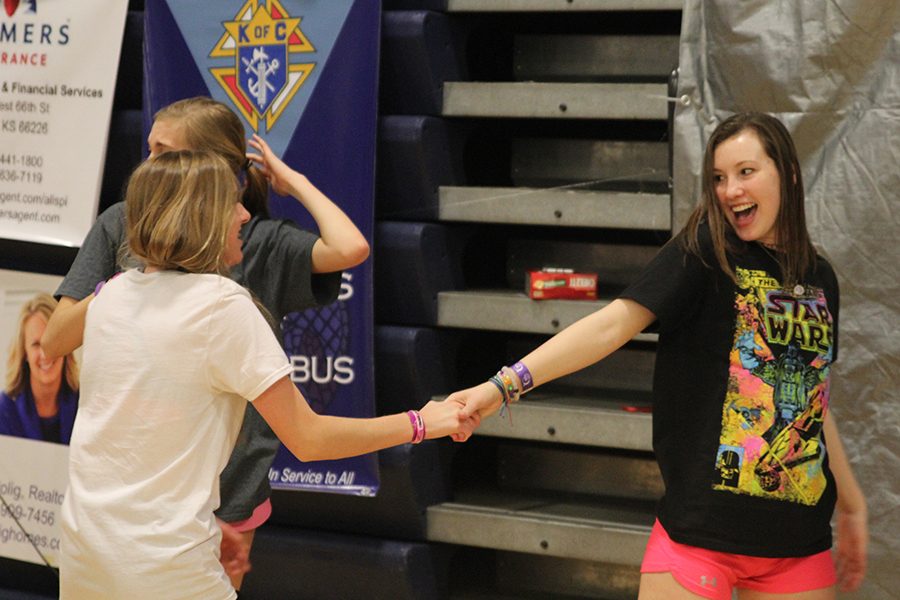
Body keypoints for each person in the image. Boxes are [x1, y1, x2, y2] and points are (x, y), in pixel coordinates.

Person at [449, 112, 868, 599]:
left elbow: (814, 400)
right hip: (699, 541)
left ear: (788, 175)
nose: (730, 190)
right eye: (718, 178)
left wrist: (853, 505)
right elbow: (609, 326)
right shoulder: (705, 253)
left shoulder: (821, 278)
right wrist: (501, 386)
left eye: (746, 172)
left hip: (799, 546)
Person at [58, 150, 474, 599]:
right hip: (162, 564)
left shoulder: (109, 296)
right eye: (231, 202)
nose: (243, 213)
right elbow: (309, 439)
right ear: (199, 217)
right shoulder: (223, 305)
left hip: (85, 551)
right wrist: (422, 423)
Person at [42, 96, 369, 588]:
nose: (150, 164)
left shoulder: (253, 245)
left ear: (204, 170)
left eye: (164, 152)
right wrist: (143, 276)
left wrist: (294, 183)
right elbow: (56, 338)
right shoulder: (121, 228)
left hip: (230, 483)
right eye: (151, 151)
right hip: (141, 495)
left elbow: (350, 249)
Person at [0, 293, 78, 444]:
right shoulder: (4, 411)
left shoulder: (84, 406)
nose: (45, 354)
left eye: (52, 341)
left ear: (66, 346)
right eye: (36, 344)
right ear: (25, 353)